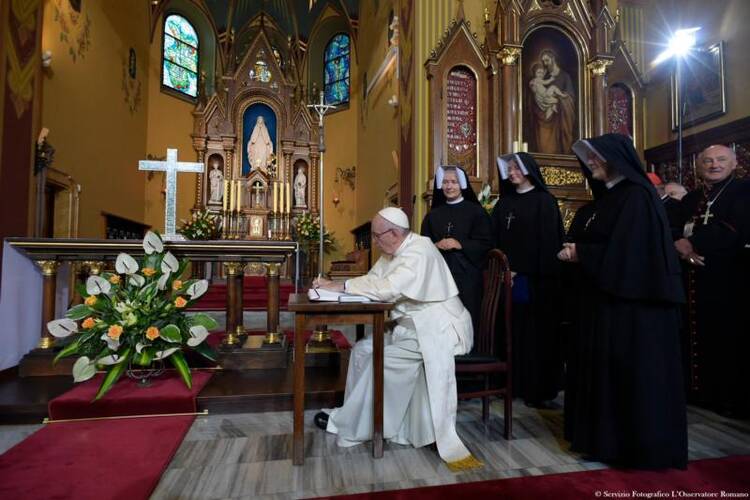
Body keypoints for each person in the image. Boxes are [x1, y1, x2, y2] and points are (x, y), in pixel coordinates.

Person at [312, 207, 481, 471]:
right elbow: (373, 280)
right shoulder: (393, 250)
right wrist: (336, 285)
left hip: (436, 327)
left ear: (394, 233)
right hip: (410, 326)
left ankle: (361, 427)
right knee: (363, 350)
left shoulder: (419, 250)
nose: (376, 243)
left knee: (383, 358)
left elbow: (388, 289)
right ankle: (353, 416)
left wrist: (342, 287)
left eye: (378, 237)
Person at [559, 133, 687, 469]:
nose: (592, 164)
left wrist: (581, 252)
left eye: (597, 158)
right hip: (604, 303)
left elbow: (631, 254)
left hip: (634, 309)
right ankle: (602, 442)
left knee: (632, 379)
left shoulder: (637, 197)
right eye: (588, 160)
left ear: (617, 158)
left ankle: (632, 448)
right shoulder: (605, 200)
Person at [672, 144, 750, 417]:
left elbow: (735, 227)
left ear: (734, 163)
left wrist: (690, 243)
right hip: (690, 278)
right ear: (698, 165)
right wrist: (678, 245)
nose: (714, 165)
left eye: (720, 160)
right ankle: (696, 391)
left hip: (727, 279)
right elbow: (671, 227)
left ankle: (727, 398)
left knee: (726, 338)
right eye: (707, 161)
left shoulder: (743, 191)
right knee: (692, 335)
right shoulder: (691, 198)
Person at [491, 152, 564, 407]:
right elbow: (494, 240)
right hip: (507, 279)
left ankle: (537, 388)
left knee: (535, 336)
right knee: (510, 332)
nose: (511, 173)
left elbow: (548, 245)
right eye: (508, 169)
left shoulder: (545, 201)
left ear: (527, 170)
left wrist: (518, 270)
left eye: (515, 168)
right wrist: (503, 270)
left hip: (536, 282)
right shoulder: (503, 204)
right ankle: (512, 385)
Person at [420, 166, 492, 332]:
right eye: (445, 182)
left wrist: (460, 244)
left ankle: (468, 354)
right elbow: (422, 246)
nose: (449, 186)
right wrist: (435, 245)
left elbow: (486, 244)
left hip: (468, 278)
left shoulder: (476, 212)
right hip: (439, 277)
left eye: (454, 182)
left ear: (462, 185)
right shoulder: (432, 215)